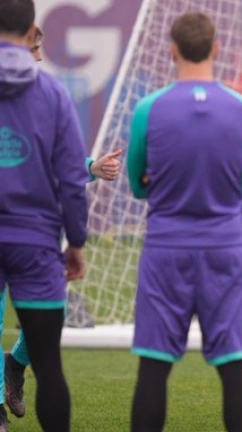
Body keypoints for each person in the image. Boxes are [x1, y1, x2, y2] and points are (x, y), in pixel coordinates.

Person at [126, 12, 242, 432]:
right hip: (226, 249)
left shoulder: (148, 109)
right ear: (216, 49)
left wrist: (161, 184)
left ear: (172, 50)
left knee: (153, 367)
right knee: (235, 368)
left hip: (166, 250)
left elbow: (136, 182)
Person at [1, 25, 122, 422]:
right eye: (34, 47)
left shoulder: (47, 93)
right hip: (31, 232)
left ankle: (15, 365)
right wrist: (77, 241)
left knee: (53, 320)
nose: (39, 57)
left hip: (33, 234)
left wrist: (91, 167)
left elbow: (61, 162)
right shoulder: (50, 93)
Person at [0, 0, 89, 430]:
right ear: (31, 30)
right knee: (49, 364)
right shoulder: (52, 93)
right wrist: (77, 242)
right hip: (35, 242)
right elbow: (71, 178)